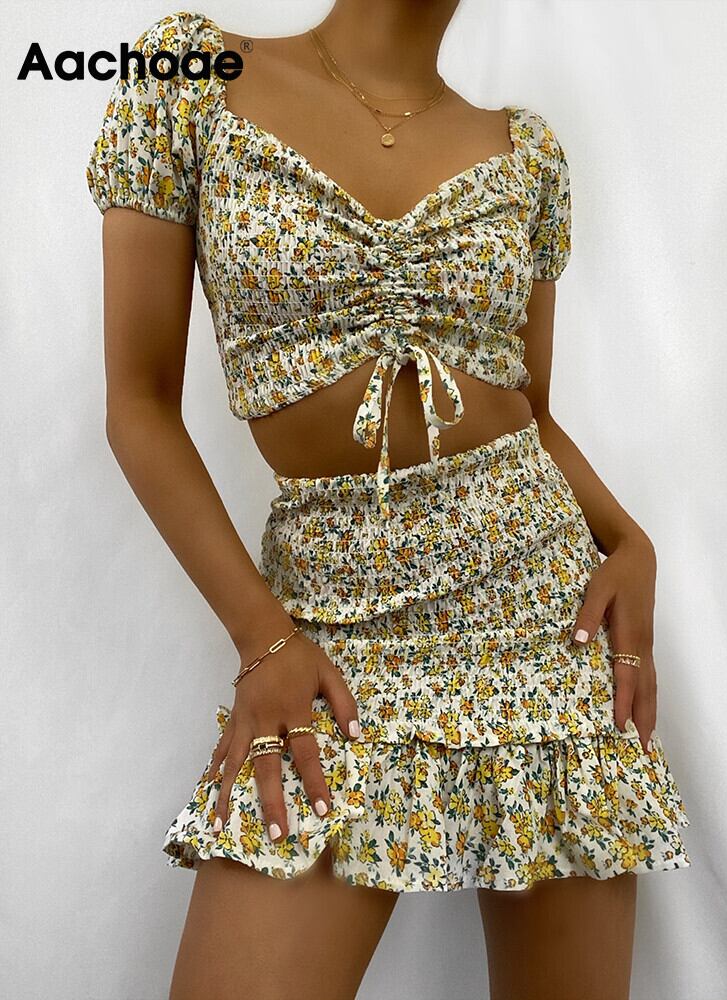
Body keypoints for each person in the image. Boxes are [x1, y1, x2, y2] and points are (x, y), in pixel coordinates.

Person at [85, 2, 691, 998]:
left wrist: (630, 541)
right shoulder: (189, 75)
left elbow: (529, 410)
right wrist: (263, 640)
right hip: (328, 637)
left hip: (542, 620)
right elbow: (137, 406)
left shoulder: (527, 153)